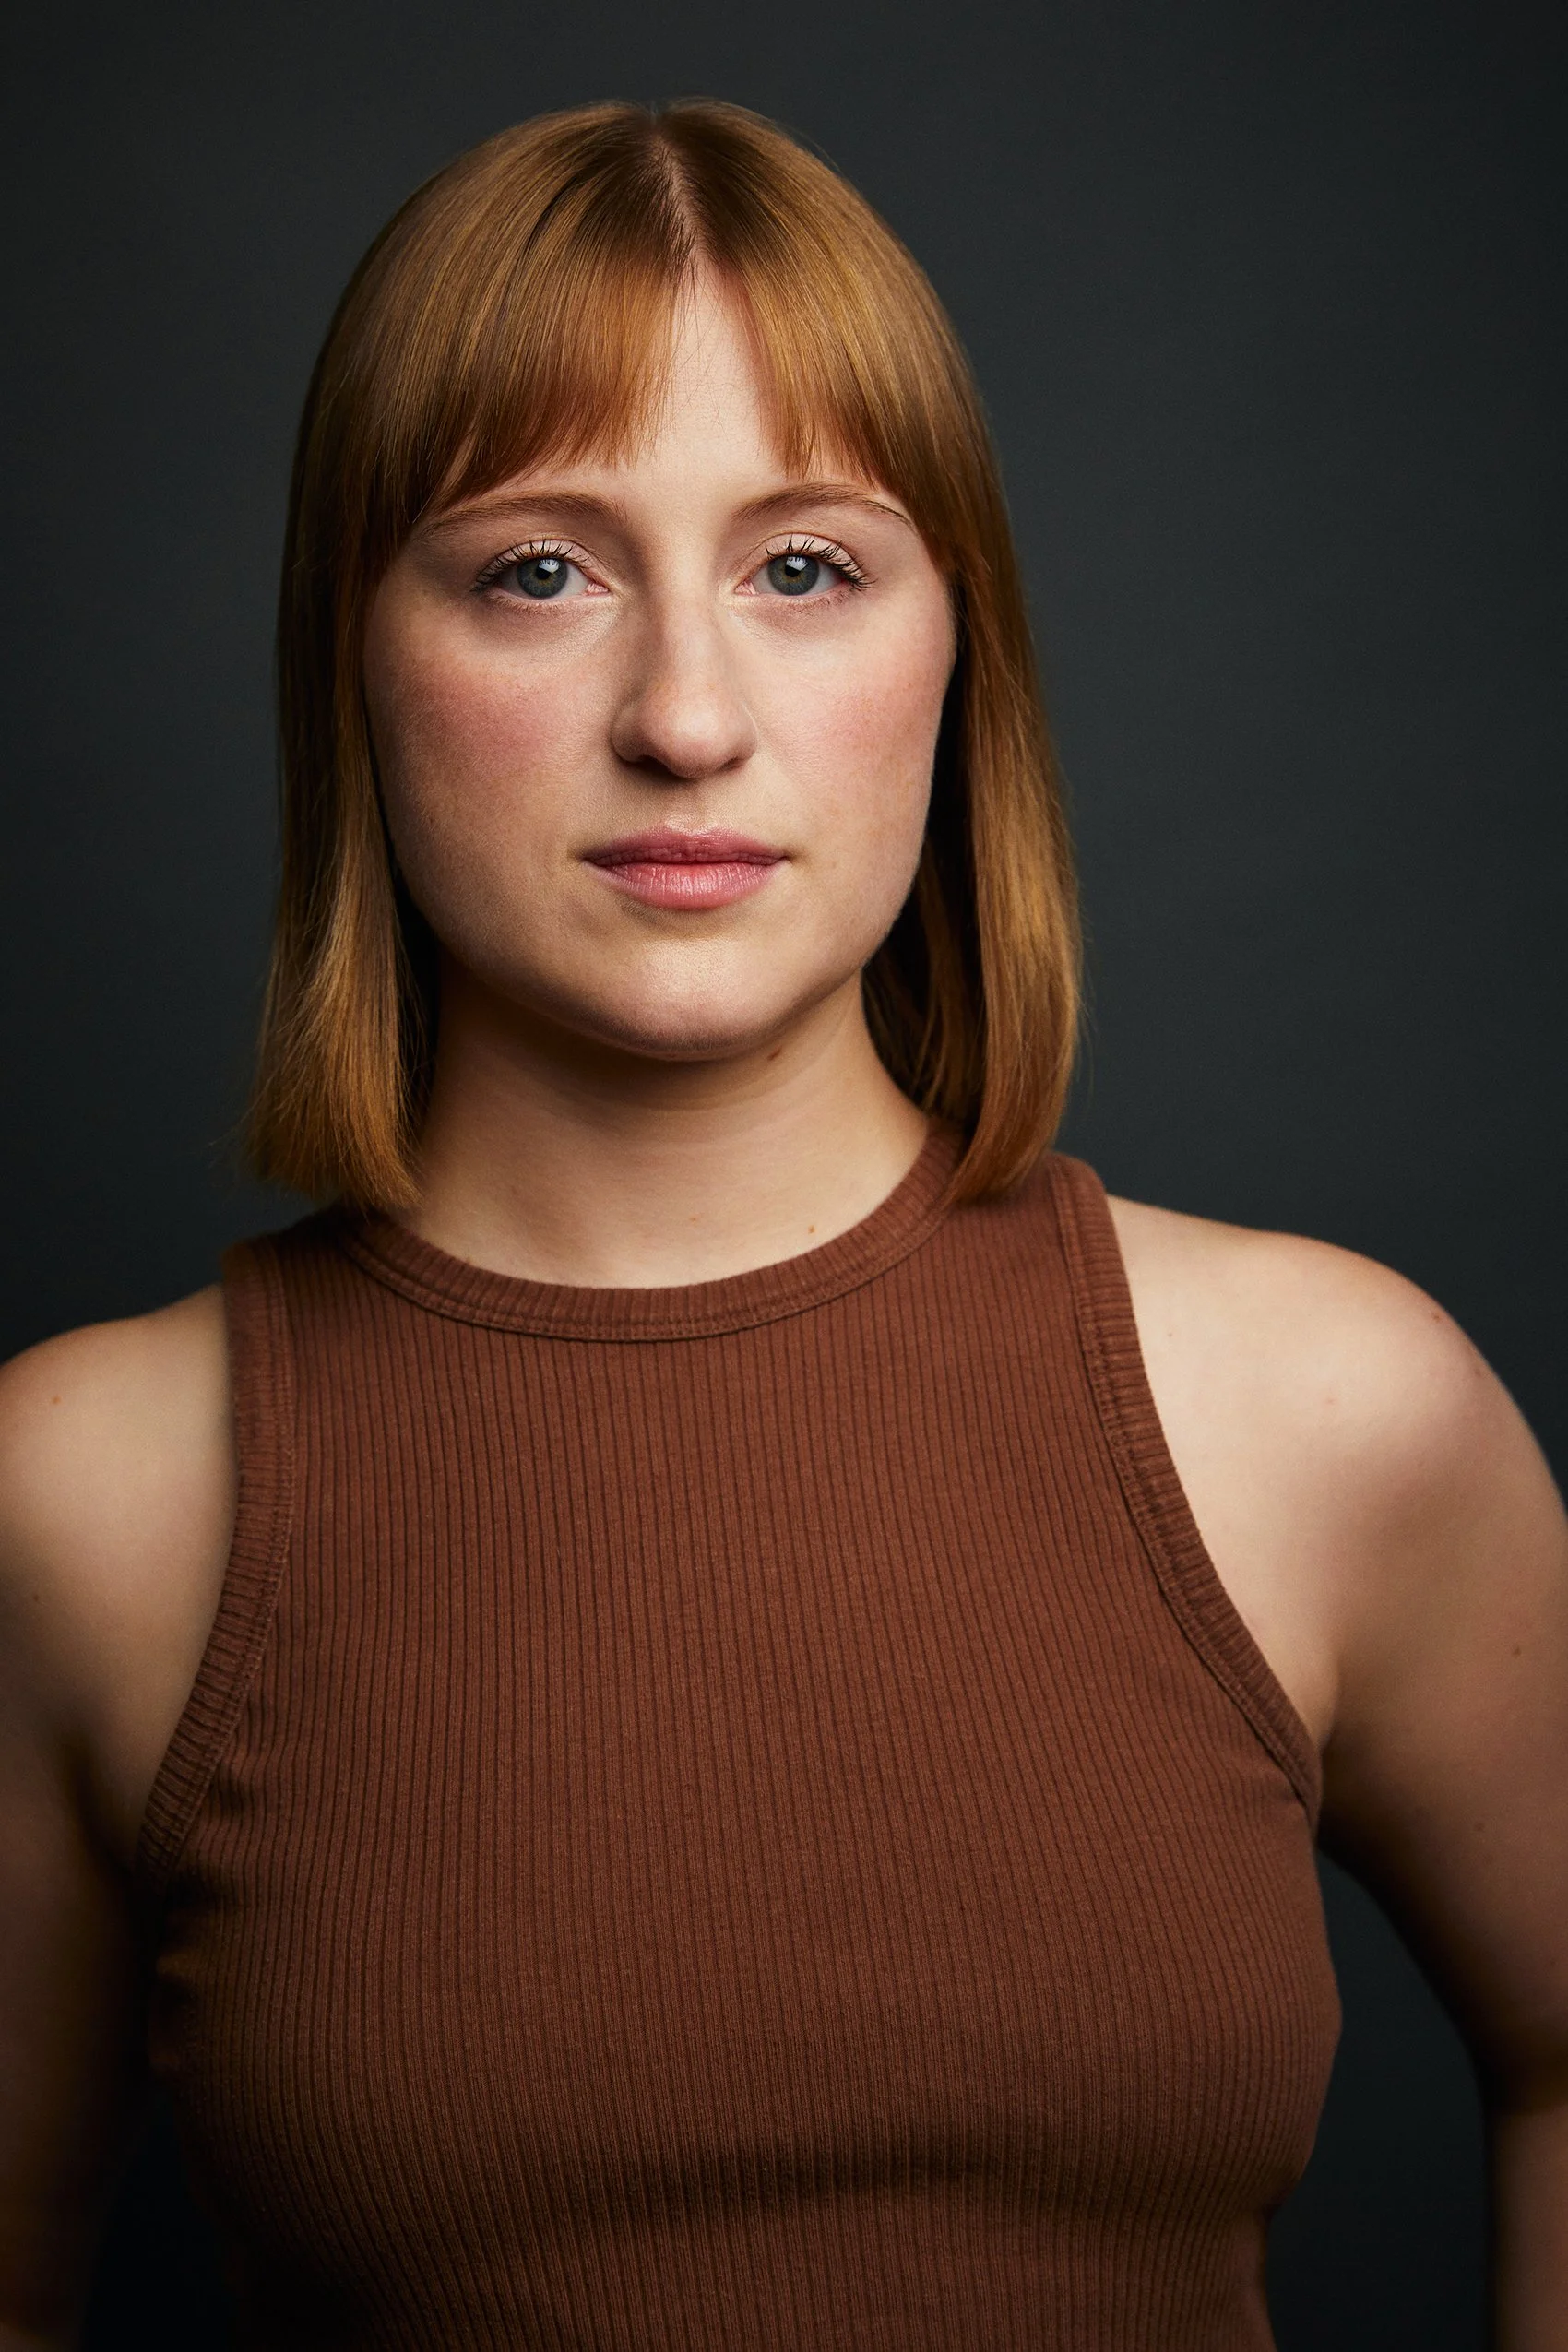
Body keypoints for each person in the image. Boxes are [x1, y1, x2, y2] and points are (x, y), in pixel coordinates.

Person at [0, 98, 1563, 2352]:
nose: (687, 717)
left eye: (803, 566)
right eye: (536, 568)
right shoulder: (95, 1499)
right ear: (355, 653)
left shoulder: (1327, 1409)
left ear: (961, 648)